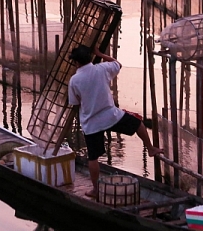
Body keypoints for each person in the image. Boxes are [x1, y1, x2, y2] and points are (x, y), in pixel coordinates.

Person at [67, 44, 163, 199]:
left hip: (91, 123)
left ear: (76, 63)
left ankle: (96, 190)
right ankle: (151, 149)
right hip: (111, 115)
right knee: (138, 123)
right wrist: (101, 53)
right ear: (91, 57)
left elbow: (75, 102)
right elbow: (117, 64)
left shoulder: (74, 80)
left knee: (93, 157)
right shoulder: (102, 69)